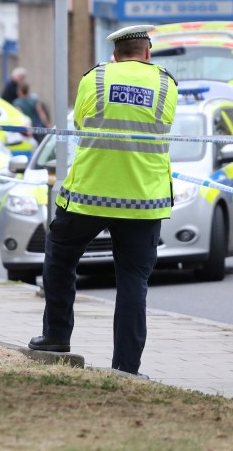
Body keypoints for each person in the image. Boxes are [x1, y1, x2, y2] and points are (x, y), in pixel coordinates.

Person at [28, 24, 177, 377]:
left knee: (61, 258)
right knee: (132, 281)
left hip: (89, 196)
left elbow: (80, 121)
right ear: (147, 52)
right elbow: (166, 124)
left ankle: (56, 337)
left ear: (115, 54)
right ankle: (126, 367)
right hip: (143, 199)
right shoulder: (166, 83)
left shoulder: (94, 79)